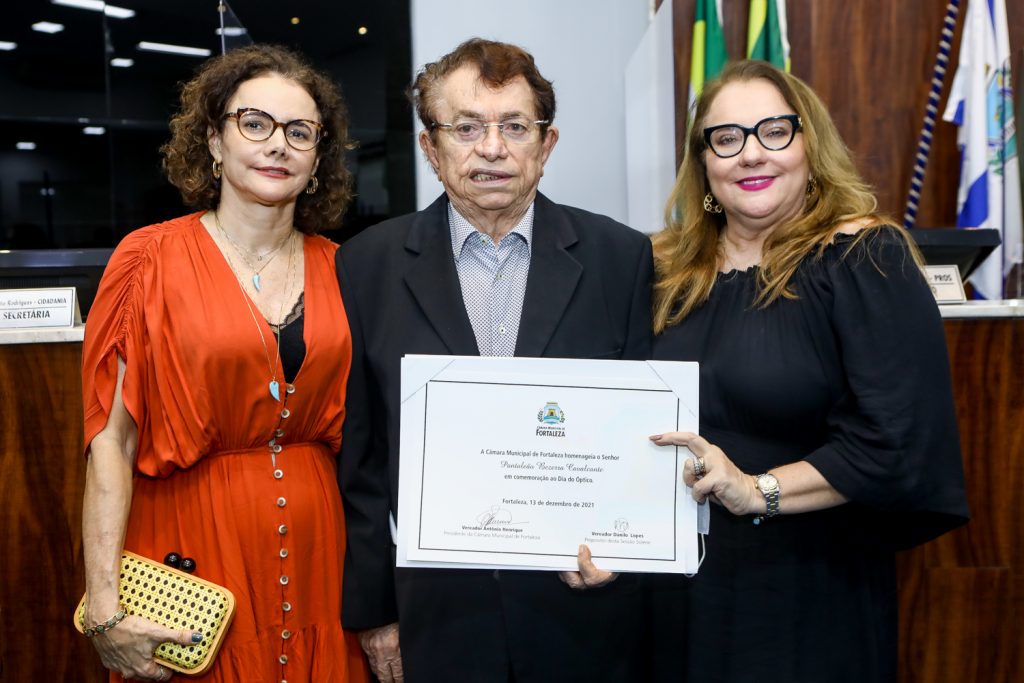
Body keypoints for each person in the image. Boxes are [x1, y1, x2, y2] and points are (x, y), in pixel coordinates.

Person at [337, 38, 653, 682]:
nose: (492, 148)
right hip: (437, 615)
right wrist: (377, 613)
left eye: (515, 126)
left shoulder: (620, 258)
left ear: (547, 144)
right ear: (431, 147)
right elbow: (361, 458)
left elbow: (639, 437)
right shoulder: (366, 264)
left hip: (584, 610)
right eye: (466, 127)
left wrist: (629, 546)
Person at [647, 60, 970, 682]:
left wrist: (757, 489)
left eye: (774, 131)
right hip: (673, 592)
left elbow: (896, 442)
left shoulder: (863, 258)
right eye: (727, 138)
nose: (750, 154)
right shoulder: (662, 271)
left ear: (808, 145)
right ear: (705, 163)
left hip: (805, 593)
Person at [80, 44, 369, 682]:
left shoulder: (346, 268)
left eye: (301, 132)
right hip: (191, 546)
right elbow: (111, 440)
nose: (279, 145)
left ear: (318, 157)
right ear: (214, 140)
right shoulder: (147, 260)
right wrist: (103, 601)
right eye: (255, 123)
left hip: (324, 551)